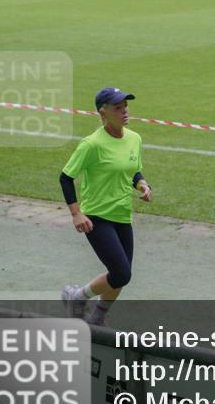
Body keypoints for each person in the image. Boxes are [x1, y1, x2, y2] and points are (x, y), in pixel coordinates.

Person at [60, 87, 151, 326]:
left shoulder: (134, 138)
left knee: (120, 277)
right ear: (103, 112)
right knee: (121, 273)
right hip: (96, 217)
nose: (124, 112)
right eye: (117, 108)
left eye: (125, 107)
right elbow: (66, 177)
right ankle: (76, 296)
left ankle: (97, 318)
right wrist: (76, 214)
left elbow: (132, 170)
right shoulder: (91, 144)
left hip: (122, 215)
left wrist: (141, 184)